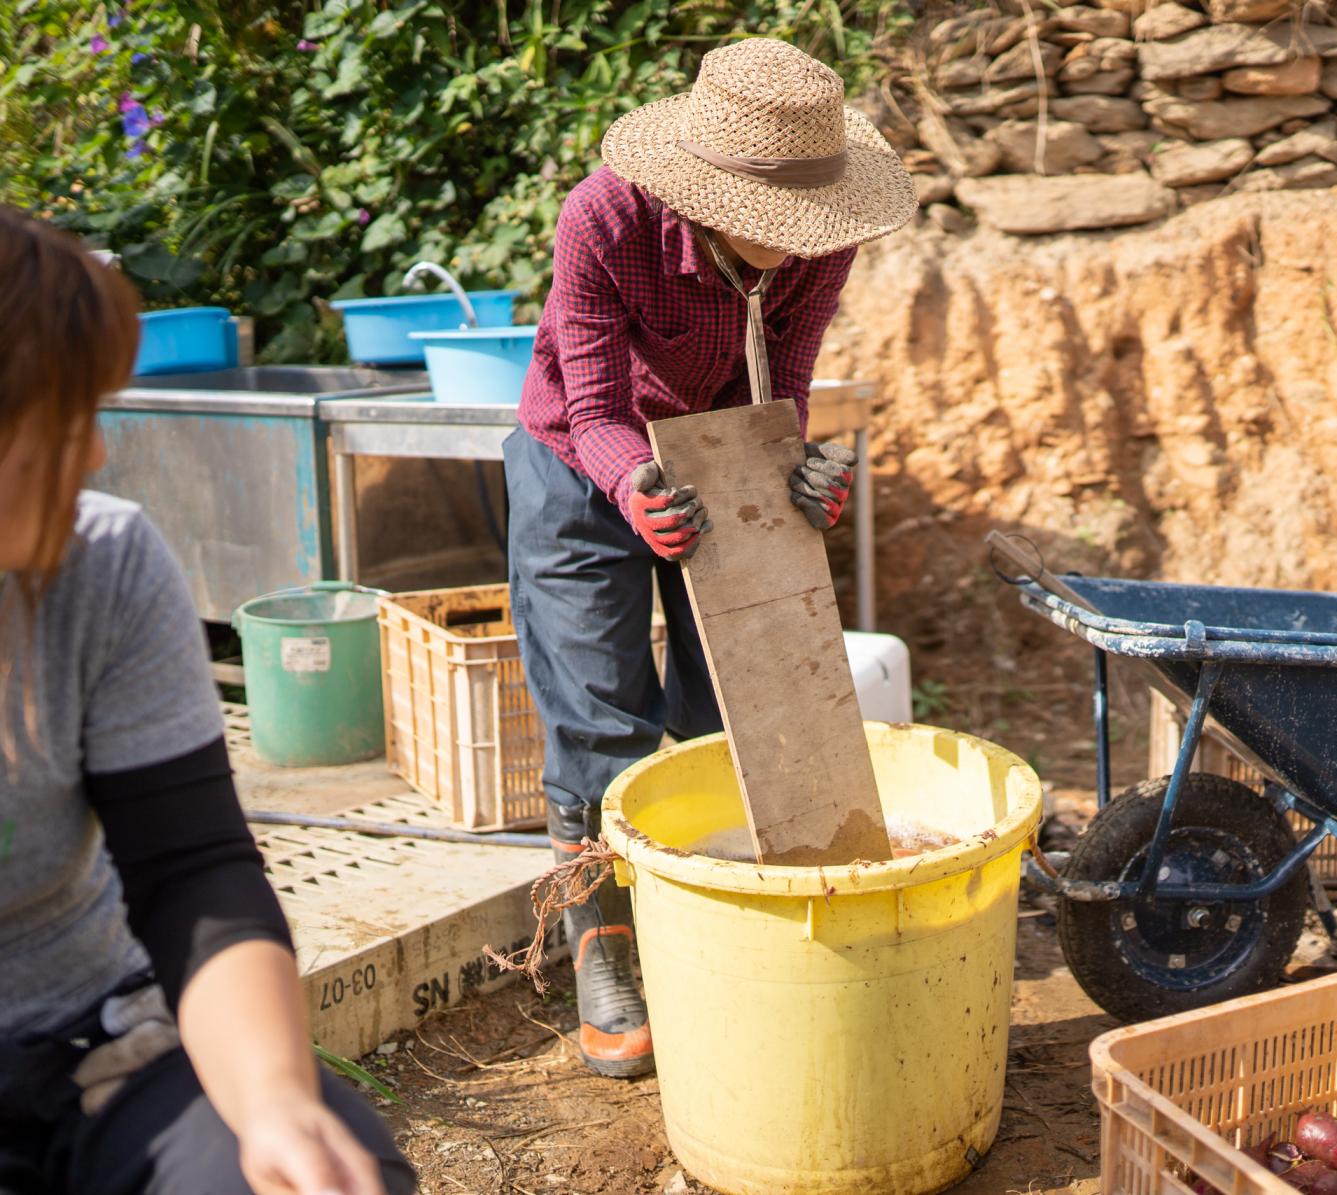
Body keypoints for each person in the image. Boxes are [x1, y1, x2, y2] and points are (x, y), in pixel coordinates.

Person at [506, 36, 916, 1078]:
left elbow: (785, 385)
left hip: (726, 453)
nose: (797, 240)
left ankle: (706, 916)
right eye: (771, 219)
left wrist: (801, 473)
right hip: (575, 461)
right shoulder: (605, 216)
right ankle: (600, 946)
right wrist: (632, 491)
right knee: (601, 714)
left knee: (732, 698)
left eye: (806, 221)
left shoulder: (823, 234)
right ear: (704, 189)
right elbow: (593, 405)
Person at [0, 210, 414, 1194]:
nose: (96, 457)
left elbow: (190, 869)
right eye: (66, 422)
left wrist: (272, 1099)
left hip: (95, 1051)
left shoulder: (100, 561)